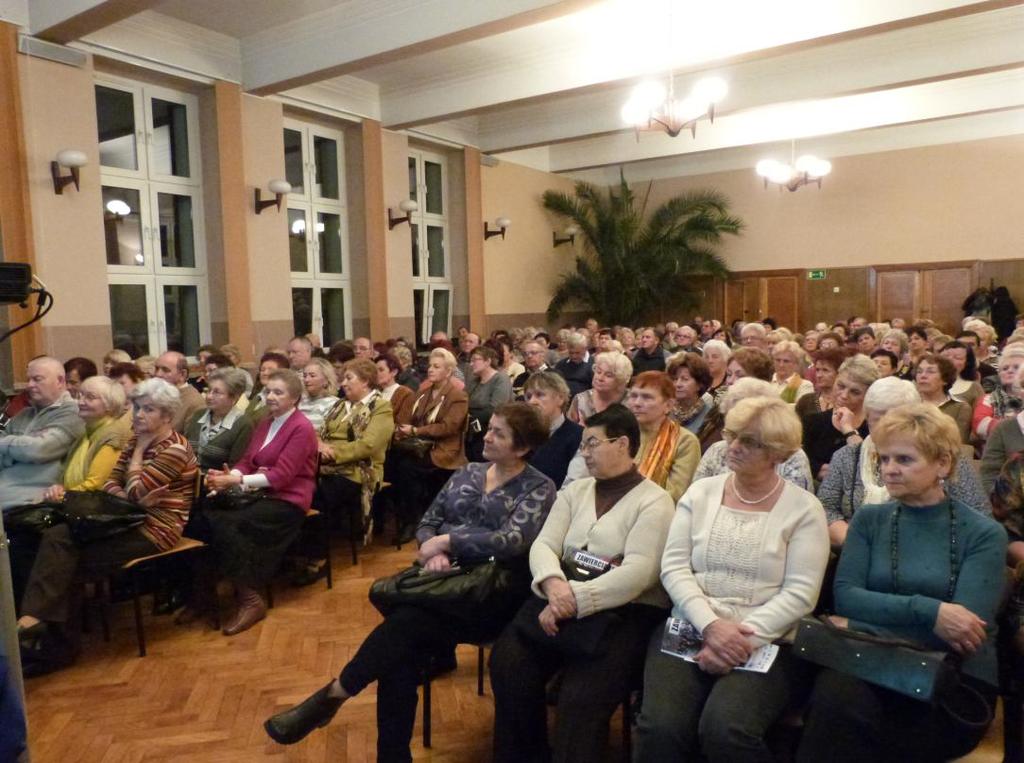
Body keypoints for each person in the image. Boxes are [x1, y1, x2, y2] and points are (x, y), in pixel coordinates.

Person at [264, 403, 556, 761]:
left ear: (523, 447)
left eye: (499, 433)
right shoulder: (469, 472)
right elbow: (428, 521)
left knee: (405, 627)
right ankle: (386, 750)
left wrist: (449, 543)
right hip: (441, 583)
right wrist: (432, 551)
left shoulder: (539, 487)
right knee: (401, 647)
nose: (487, 436)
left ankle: (336, 697)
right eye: (490, 428)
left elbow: (512, 540)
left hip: (491, 595)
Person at [796, 404, 1007, 763]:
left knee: (854, 723)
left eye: (905, 460)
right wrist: (931, 609)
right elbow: (846, 598)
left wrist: (868, 620)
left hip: (950, 679)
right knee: (836, 699)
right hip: (871, 660)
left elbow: (966, 631)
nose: (890, 470)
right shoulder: (869, 519)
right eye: (885, 459)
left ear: (942, 464)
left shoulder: (983, 533)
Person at [634, 397, 829, 761]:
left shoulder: (804, 508)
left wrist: (738, 639)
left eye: (750, 442)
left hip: (767, 639)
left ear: (778, 454)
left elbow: (801, 593)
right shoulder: (702, 492)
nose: (733, 447)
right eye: (733, 435)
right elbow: (674, 567)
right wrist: (710, 626)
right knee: (661, 727)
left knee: (726, 729)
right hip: (691, 624)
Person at [489, 404, 675, 763]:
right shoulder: (576, 491)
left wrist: (572, 598)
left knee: (580, 699)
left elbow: (639, 573)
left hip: (623, 615)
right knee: (509, 662)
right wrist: (554, 585)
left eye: (592, 444)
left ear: (622, 444)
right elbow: (544, 544)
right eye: (583, 446)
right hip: (557, 601)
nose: (584, 453)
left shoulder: (655, 501)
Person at [17, 378, 198, 670]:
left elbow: (136, 491)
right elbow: (113, 485)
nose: (138, 414)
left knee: (64, 558)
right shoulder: (133, 439)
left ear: (167, 416)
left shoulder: (174, 448)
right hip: (125, 519)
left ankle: (44, 638)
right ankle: (45, 638)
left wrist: (137, 462)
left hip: (155, 529)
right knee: (58, 540)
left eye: (148, 409)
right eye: (137, 407)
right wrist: (133, 493)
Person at [203, 369, 318, 636]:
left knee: (228, 523)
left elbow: (283, 476)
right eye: (268, 391)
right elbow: (247, 461)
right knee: (205, 515)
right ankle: (204, 595)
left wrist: (235, 483)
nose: (271, 397)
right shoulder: (266, 422)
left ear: (295, 398)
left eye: (279, 392)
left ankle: (250, 597)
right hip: (260, 493)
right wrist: (228, 475)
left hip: (289, 499)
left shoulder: (301, 427)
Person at [818, 377, 989, 548]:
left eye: (896, 420)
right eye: (877, 419)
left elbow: (979, 516)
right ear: (867, 418)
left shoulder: (943, 459)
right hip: (856, 552)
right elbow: (826, 508)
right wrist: (858, 543)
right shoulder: (847, 456)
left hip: (931, 553)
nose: (888, 428)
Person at [301, 358, 395, 583]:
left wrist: (333, 453)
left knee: (316, 497)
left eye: (349, 378)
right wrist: (320, 446)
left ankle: (318, 557)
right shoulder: (339, 405)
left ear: (365, 381)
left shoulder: (381, 407)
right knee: (297, 490)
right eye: (343, 378)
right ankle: (297, 551)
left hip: (359, 470)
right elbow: (317, 433)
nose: (343, 383)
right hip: (324, 464)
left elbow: (369, 445)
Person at [390, 347, 469, 544]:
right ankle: (412, 517)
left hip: (444, 450)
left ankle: (413, 520)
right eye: (430, 366)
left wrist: (416, 431)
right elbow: (410, 418)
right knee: (393, 463)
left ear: (448, 371)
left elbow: (448, 428)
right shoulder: (423, 393)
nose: (430, 370)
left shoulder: (457, 396)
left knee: (405, 468)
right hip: (420, 446)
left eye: (436, 367)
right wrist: (403, 429)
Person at [693, 378, 814, 491]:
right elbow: (697, 494)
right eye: (732, 429)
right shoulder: (716, 450)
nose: (734, 445)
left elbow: (793, 504)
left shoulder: (791, 456)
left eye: (747, 438)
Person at [0, 357, 85, 512]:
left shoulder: (72, 413)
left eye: (37, 379)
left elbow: (39, 450)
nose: (30, 385)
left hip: (30, 505)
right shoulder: (24, 414)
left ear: (60, 381)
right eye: (29, 379)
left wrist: (7, 446)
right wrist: (18, 449)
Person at [41, 376, 131, 501]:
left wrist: (61, 496)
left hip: (95, 506)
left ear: (110, 404)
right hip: (75, 501)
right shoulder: (86, 432)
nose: (80, 402)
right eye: (80, 395)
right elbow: (65, 475)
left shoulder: (114, 435)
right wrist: (58, 488)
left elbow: (96, 485)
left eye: (90, 397)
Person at [624, 371, 700, 502]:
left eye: (647, 397)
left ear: (669, 405)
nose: (637, 403)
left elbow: (675, 494)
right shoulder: (619, 433)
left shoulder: (685, 441)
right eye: (633, 396)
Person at [803, 355, 879, 481]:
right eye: (841, 386)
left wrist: (848, 430)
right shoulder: (812, 422)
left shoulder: (874, 427)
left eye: (854, 392)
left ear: (867, 395)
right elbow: (803, 464)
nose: (843, 395)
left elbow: (868, 468)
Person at [183, 367, 254, 471]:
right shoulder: (198, 415)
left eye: (216, 392)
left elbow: (235, 467)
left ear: (234, 397)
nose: (209, 396)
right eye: (209, 391)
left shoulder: (243, 424)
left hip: (217, 483)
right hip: (188, 479)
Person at [523, 372, 583, 486]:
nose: (532, 402)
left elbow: (573, 486)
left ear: (560, 398)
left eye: (540, 395)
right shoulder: (520, 433)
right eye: (528, 396)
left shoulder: (578, 436)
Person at [466, 345, 514, 461]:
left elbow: (495, 409)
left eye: (475, 360)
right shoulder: (474, 381)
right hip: (472, 431)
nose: (471, 364)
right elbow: (463, 402)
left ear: (487, 361)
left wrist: (470, 414)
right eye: (470, 361)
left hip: (492, 429)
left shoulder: (501, 379)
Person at [914, 353, 972, 443]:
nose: (923, 376)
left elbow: (958, 443)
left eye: (930, 371)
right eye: (919, 371)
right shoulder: (908, 405)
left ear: (945, 379)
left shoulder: (960, 408)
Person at [973, 343, 1024, 442]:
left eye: (1016, 367)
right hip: (998, 451)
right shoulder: (989, 398)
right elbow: (980, 425)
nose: (1009, 371)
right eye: (1004, 368)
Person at [567, 351, 631, 425]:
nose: (600, 378)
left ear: (620, 380)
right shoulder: (580, 400)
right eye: (598, 372)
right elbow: (568, 432)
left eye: (608, 375)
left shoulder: (632, 401)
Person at [153, 351, 205, 433]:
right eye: (156, 369)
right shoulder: (157, 395)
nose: (158, 374)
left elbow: (191, 443)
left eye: (165, 370)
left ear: (182, 374)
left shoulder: (195, 403)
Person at [667, 352, 714, 434]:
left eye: (685, 379)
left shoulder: (709, 417)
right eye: (674, 379)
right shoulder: (664, 411)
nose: (678, 384)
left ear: (700, 384)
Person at [795, 347, 845, 422]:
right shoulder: (806, 401)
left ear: (839, 373)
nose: (819, 375)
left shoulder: (845, 402)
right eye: (817, 370)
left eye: (825, 370)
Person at [941, 340, 985, 414]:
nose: (949, 360)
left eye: (957, 358)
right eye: (946, 356)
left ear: (967, 363)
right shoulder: (924, 382)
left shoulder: (974, 388)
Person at [244, 351, 290, 421]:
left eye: (270, 370)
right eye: (262, 369)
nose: (265, 373)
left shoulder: (283, 400)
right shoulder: (258, 396)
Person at [297, 358, 340, 430]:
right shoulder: (299, 401)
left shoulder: (334, 404)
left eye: (312, 376)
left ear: (326, 379)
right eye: (305, 376)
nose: (306, 380)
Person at [375, 352, 413, 419]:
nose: (377, 374)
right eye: (375, 370)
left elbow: (403, 424)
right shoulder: (375, 393)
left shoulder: (405, 394)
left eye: (381, 370)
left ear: (394, 372)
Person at [554, 332, 593, 398]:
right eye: (571, 353)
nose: (574, 356)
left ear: (585, 349)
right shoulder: (561, 365)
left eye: (577, 353)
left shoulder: (594, 365)